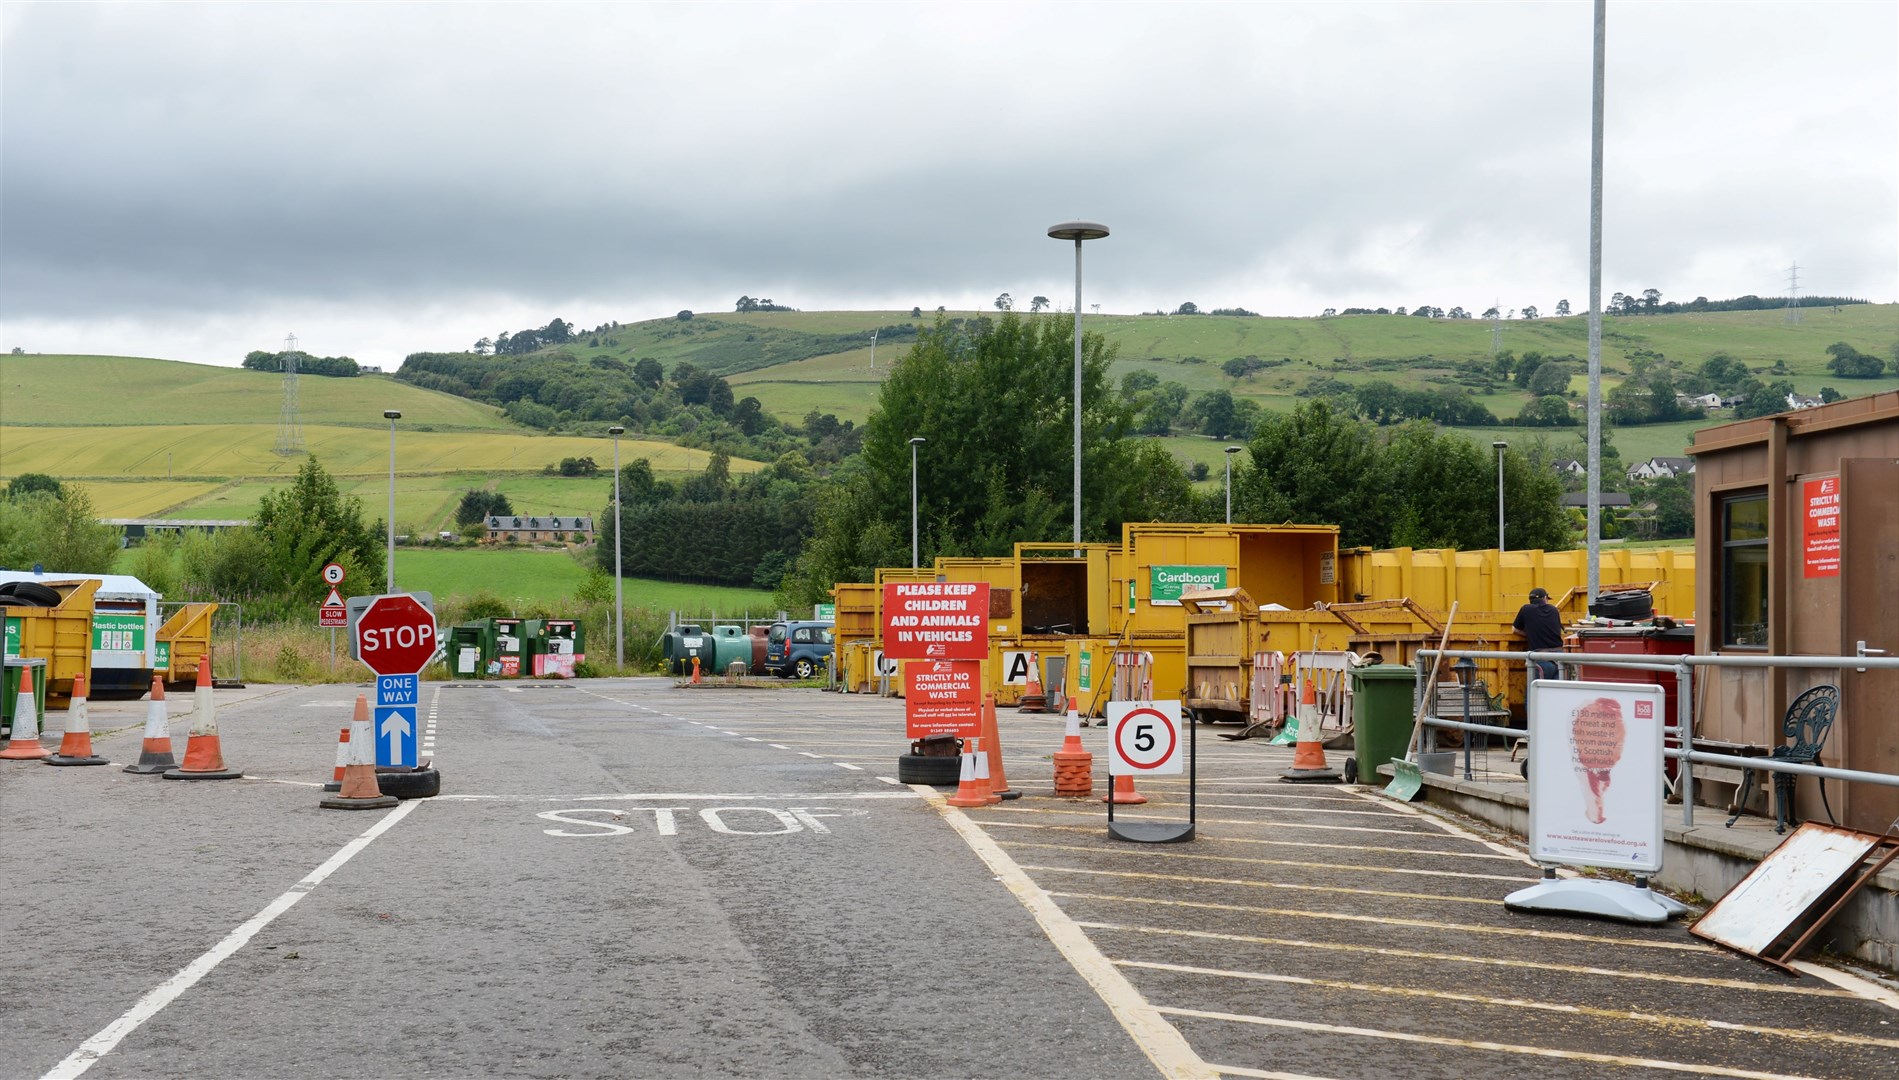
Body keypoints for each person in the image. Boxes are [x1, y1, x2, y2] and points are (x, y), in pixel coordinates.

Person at [1513, 587, 1565, 680]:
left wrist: (1530, 633)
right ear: (1545, 598)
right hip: (1559, 659)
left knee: (1534, 692)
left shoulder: (1526, 609)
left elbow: (1515, 629)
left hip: (1540, 658)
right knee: (1557, 692)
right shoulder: (1554, 610)